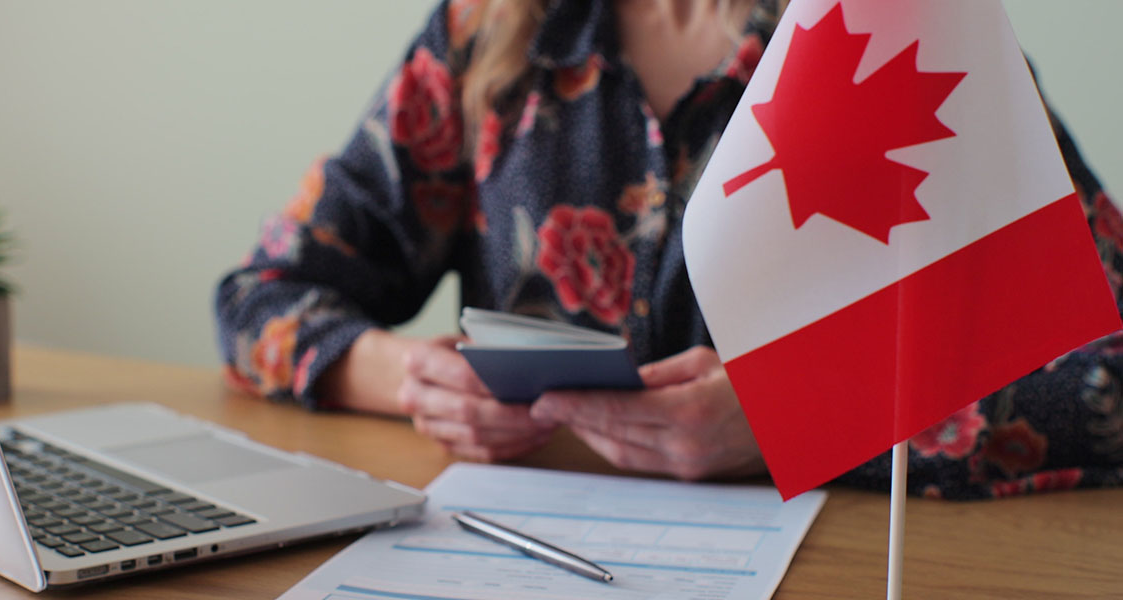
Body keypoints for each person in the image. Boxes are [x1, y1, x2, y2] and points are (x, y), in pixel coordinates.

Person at [214, 0, 1123, 499]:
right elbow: (263, 294)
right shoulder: (483, 31)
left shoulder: (911, 34)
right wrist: (410, 381)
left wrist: (787, 418)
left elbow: (1108, 362)